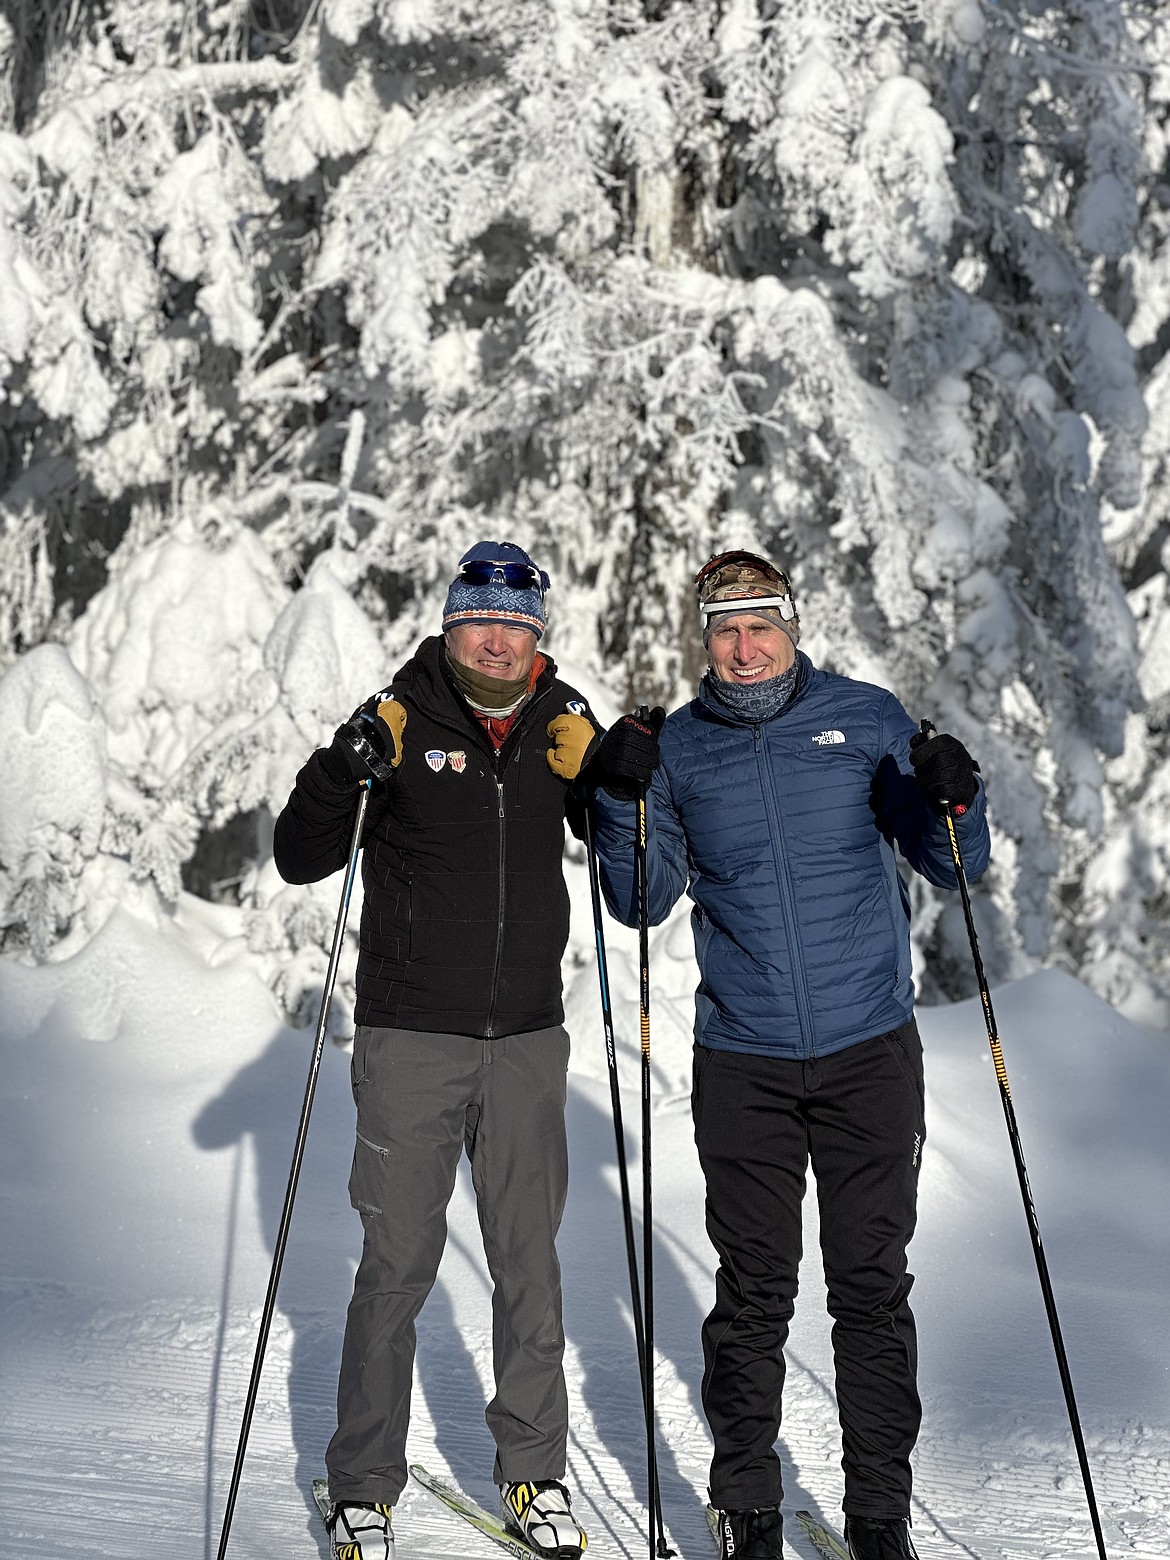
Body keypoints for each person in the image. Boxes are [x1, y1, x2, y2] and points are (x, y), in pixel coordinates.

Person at [584, 551, 991, 1560]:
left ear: (791, 625)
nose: (744, 643)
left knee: (870, 1286)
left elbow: (952, 862)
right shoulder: (676, 746)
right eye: (724, 627)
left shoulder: (866, 717)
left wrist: (955, 796)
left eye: (760, 623)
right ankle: (750, 1508)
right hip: (746, 1062)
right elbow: (640, 901)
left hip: (867, 1052)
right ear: (704, 640)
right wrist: (619, 803)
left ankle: (879, 1520)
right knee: (755, 1293)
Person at [273, 541, 601, 1560]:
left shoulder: (564, 718)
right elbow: (299, 855)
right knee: (398, 1265)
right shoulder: (401, 714)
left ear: (535, 636)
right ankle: (363, 1481)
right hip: (413, 1034)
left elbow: (627, 849)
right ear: (452, 624)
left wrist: (624, 777)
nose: (501, 642)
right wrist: (344, 768)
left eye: (518, 626)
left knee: (528, 1266)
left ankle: (534, 1476)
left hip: (527, 1039)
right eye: (481, 622)